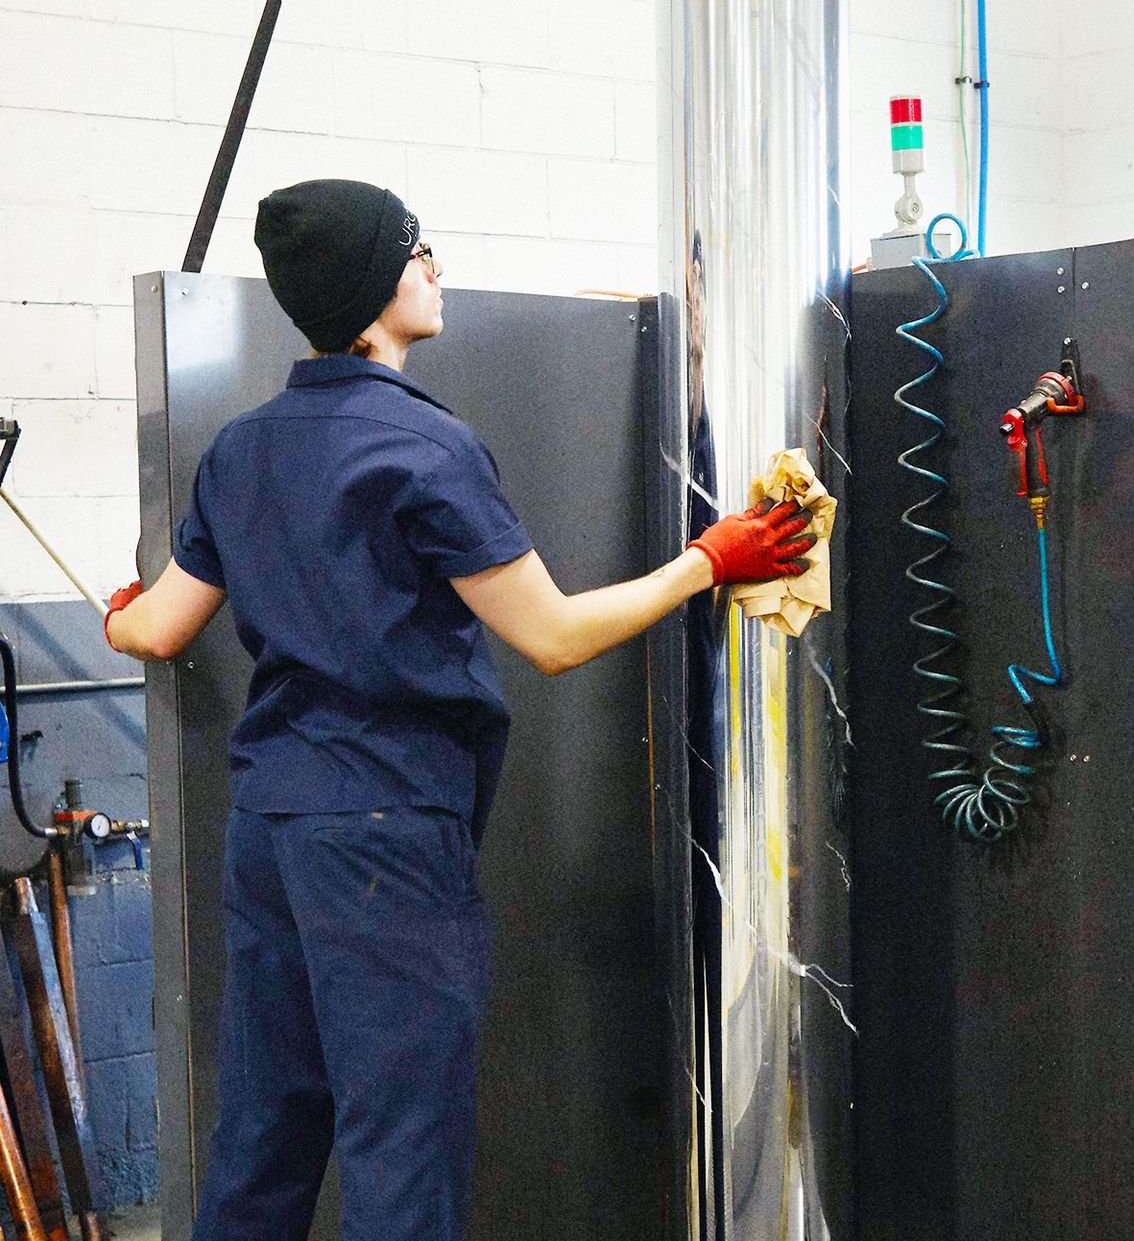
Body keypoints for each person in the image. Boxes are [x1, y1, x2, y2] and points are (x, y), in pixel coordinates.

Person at [102, 178, 812, 1241]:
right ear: (368, 284)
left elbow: (157, 629)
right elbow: (553, 636)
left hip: (273, 826)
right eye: (416, 249)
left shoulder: (243, 448)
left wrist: (114, 617)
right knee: (402, 1146)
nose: (436, 267)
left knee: (265, 1133)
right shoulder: (426, 450)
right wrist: (710, 560)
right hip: (385, 834)